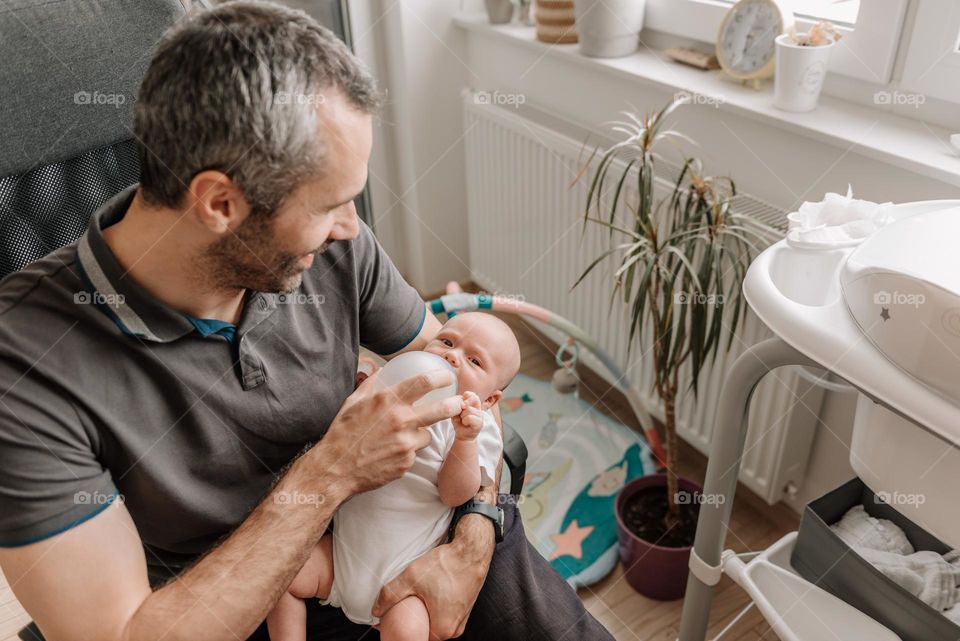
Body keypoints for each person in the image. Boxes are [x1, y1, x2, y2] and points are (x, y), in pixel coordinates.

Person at [0, 3, 615, 641]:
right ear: (220, 203)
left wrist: (474, 536)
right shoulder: (25, 365)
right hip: (227, 603)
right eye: (330, 206)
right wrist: (331, 472)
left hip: (408, 530)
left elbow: (462, 377)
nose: (351, 227)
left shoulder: (334, 249)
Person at [268, 313, 522, 641]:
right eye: (446, 342)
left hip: (404, 582)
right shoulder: (393, 390)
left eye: (474, 361)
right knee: (280, 573)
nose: (452, 356)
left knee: (405, 630)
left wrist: (464, 440)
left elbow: (454, 495)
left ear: (490, 400)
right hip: (339, 562)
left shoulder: (475, 429)